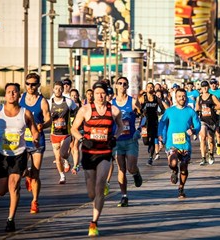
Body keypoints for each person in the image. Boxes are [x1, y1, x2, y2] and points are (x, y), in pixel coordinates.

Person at [71, 81, 123, 237]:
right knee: (91, 193)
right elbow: (73, 128)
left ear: (107, 94)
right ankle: (94, 201)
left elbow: (120, 126)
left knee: (100, 185)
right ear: (92, 94)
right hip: (88, 153)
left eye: (103, 93)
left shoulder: (114, 110)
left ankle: (94, 222)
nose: (100, 96)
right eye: (97, 93)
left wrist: (115, 137)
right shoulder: (85, 110)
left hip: (105, 152)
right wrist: (81, 139)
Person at [0, 83, 39, 232]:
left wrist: (35, 138)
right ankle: (27, 172)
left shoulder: (26, 113)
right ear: (5, 95)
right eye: (8, 92)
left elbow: (35, 131)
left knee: (14, 186)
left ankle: (10, 219)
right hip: (1, 155)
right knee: (1, 191)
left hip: (19, 155)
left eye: (14, 92)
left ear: (19, 95)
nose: (11, 94)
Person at [158, 88, 201, 198]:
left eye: (183, 96)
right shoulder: (170, 111)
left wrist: (194, 130)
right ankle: (174, 170)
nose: (182, 98)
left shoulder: (190, 111)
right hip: (171, 143)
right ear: (175, 98)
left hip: (185, 144)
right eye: (179, 96)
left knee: (184, 167)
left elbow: (198, 125)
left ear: (186, 97)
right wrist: (160, 135)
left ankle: (181, 188)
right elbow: (162, 123)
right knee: (172, 162)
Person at [19, 73, 51, 214]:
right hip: (21, 141)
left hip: (38, 141)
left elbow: (49, 119)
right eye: (28, 84)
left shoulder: (42, 101)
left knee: (36, 173)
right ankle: (27, 175)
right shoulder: (20, 99)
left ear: (38, 85)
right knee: (21, 170)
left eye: (33, 84)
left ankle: (34, 202)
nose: (30, 86)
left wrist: (42, 126)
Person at [111, 77, 143, 207]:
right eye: (120, 83)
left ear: (127, 86)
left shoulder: (133, 101)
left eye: (125, 84)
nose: (122, 85)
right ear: (116, 86)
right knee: (121, 169)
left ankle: (136, 172)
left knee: (130, 167)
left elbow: (144, 116)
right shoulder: (111, 103)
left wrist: (139, 130)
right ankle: (124, 196)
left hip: (130, 140)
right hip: (118, 140)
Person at [49, 81, 78, 184]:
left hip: (65, 133)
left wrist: (74, 123)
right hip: (54, 134)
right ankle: (62, 176)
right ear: (53, 89)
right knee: (57, 158)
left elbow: (77, 112)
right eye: (56, 88)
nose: (58, 90)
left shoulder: (68, 102)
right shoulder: (50, 102)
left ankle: (66, 161)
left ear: (63, 89)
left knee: (62, 154)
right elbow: (46, 117)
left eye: (60, 88)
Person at [139, 82, 168, 166]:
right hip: (145, 122)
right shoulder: (143, 98)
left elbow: (166, 107)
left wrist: (168, 111)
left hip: (154, 121)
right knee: (145, 141)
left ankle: (150, 158)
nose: (150, 88)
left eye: (152, 87)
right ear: (146, 88)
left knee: (152, 140)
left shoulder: (156, 98)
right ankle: (150, 147)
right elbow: (137, 107)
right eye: (149, 87)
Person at [195, 80, 220, 166]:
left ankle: (211, 154)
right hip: (203, 120)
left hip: (212, 120)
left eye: (206, 86)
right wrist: (198, 111)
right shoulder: (199, 97)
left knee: (211, 139)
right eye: (203, 87)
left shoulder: (212, 96)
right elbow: (197, 108)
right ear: (201, 88)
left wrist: (212, 107)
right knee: (203, 137)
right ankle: (203, 158)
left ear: (208, 87)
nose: (205, 88)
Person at [69, 89, 82, 174]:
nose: (74, 97)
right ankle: (76, 162)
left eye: (75, 95)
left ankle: (75, 165)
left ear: (78, 96)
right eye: (72, 95)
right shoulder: (68, 105)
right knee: (72, 146)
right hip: (70, 128)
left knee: (76, 146)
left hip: (78, 129)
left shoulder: (81, 107)